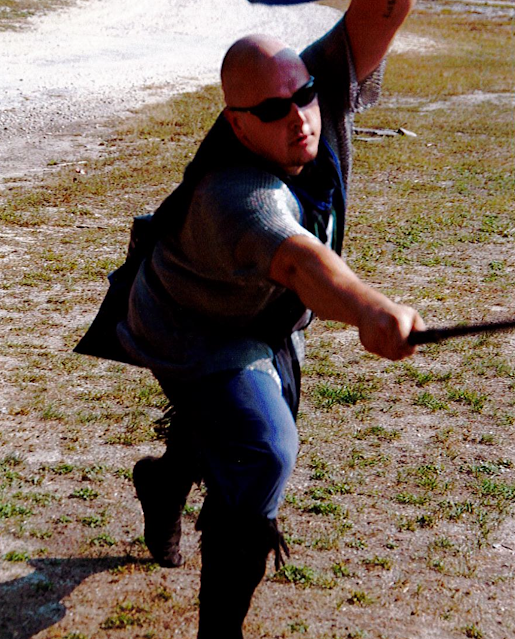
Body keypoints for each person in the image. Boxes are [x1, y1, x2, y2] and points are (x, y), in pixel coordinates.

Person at [117, 0, 424, 636]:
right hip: (190, 323)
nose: (299, 117)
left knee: (234, 419)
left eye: (304, 96)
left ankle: (165, 482)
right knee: (262, 449)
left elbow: (381, 13)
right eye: (273, 111)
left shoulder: (307, 88)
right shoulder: (235, 196)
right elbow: (302, 264)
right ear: (236, 123)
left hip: (262, 313)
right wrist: (371, 308)